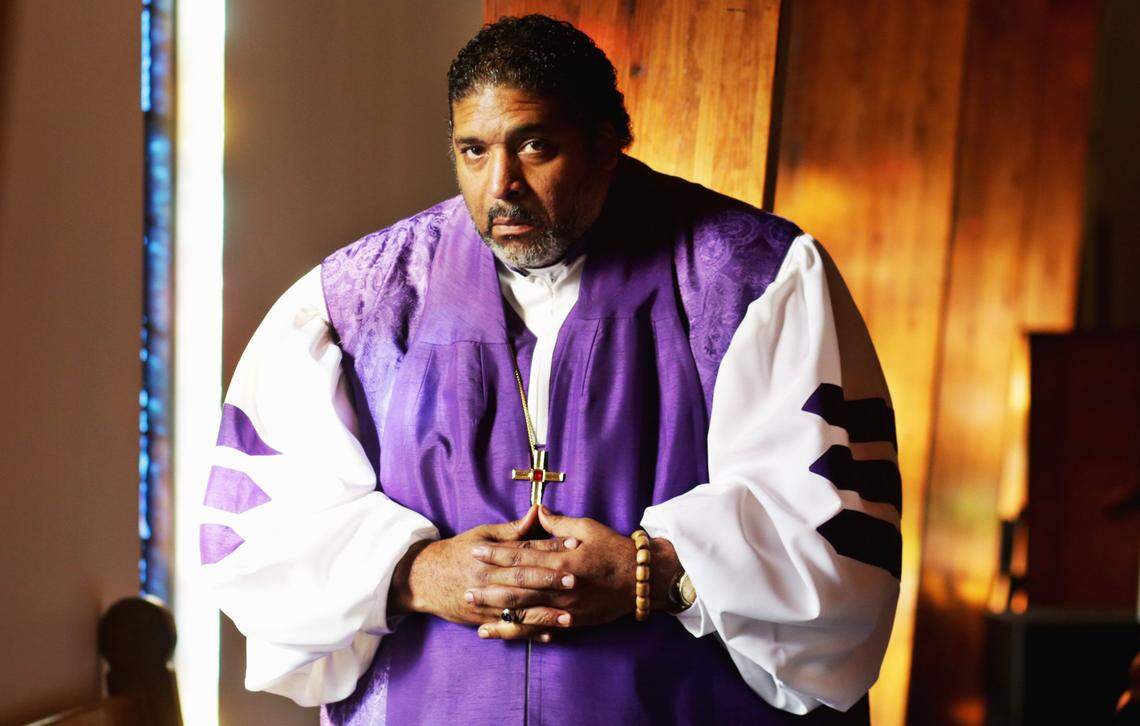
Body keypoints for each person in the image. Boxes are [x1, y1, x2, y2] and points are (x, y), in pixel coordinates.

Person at [201, 14, 901, 725]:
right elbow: (256, 540)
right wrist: (415, 573)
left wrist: (653, 572)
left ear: (606, 144)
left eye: (535, 146)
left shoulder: (754, 278)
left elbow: (836, 550)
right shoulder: (357, 301)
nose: (500, 185)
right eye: (473, 151)